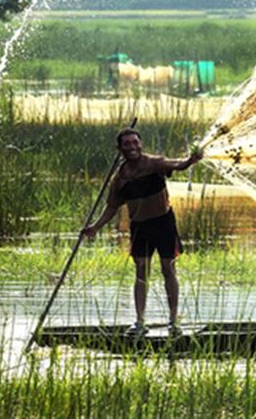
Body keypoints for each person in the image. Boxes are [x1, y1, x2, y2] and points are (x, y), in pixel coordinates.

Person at [82, 127, 202, 336]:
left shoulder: (155, 163)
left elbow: (178, 165)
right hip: (140, 226)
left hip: (164, 223)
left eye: (135, 142)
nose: (132, 147)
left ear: (141, 144)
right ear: (120, 149)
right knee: (141, 271)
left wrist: (190, 160)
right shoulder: (120, 178)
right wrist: (95, 227)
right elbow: (112, 207)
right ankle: (139, 322)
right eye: (127, 144)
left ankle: (174, 322)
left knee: (168, 268)